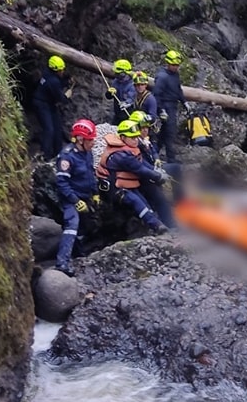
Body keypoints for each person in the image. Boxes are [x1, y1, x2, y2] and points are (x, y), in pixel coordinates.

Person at [98, 120, 175, 232]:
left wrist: (157, 171)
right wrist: (158, 176)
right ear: (123, 137)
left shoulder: (130, 149)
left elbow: (143, 163)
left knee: (144, 201)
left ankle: (157, 223)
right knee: (136, 201)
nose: (135, 140)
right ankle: (156, 225)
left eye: (136, 137)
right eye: (132, 138)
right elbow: (139, 169)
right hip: (116, 189)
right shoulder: (121, 156)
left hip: (127, 185)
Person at [55, 119, 100, 276]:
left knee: (85, 227)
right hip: (70, 199)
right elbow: (61, 183)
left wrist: (95, 194)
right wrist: (75, 200)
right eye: (91, 139)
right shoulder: (67, 157)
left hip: (85, 197)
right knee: (72, 225)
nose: (94, 142)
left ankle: (79, 255)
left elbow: (91, 174)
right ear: (80, 139)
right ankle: (62, 262)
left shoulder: (87, 154)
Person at [131, 110, 184, 202]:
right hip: (148, 172)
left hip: (154, 165)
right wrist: (156, 171)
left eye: (147, 127)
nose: (145, 130)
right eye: (142, 127)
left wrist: (157, 159)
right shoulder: (135, 142)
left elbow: (153, 151)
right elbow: (141, 162)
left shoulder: (145, 140)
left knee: (176, 168)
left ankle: (180, 199)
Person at [152, 49, 190, 164]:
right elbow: (156, 95)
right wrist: (161, 110)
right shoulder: (162, 77)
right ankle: (171, 158)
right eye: (173, 65)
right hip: (165, 106)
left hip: (173, 106)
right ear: (168, 63)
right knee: (170, 133)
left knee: (164, 134)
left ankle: (155, 154)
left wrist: (184, 102)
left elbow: (178, 90)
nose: (176, 67)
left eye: (177, 65)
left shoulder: (175, 75)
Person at [32, 55, 73, 158]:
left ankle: (58, 152)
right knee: (49, 129)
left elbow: (58, 84)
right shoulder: (53, 81)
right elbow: (61, 98)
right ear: (56, 71)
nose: (62, 72)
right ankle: (45, 154)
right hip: (42, 105)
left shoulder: (47, 74)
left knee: (57, 128)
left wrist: (66, 81)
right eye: (61, 70)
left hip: (49, 104)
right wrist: (68, 94)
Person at [105, 58, 136, 125]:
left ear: (123, 73)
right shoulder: (116, 82)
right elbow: (108, 97)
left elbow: (132, 99)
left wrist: (127, 103)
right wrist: (109, 93)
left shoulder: (132, 85)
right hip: (117, 114)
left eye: (117, 73)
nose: (115, 74)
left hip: (128, 115)